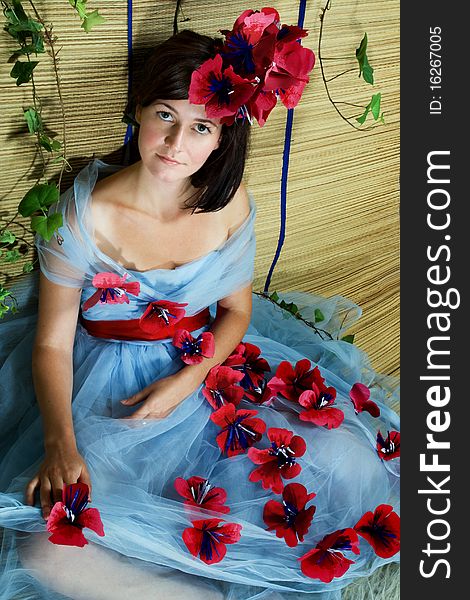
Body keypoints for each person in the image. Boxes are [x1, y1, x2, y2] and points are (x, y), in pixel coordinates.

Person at [0, 11, 400, 600]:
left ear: (223, 136)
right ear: (138, 110)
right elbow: (52, 343)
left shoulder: (228, 202)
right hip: (102, 389)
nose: (175, 145)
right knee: (49, 547)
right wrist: (62, 442)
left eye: (201, 128)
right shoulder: (79, 216)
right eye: (164, 116)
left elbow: (236, 313)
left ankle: (208, 553)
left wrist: (189, 380)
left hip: (203, 368)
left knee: (353, 464)